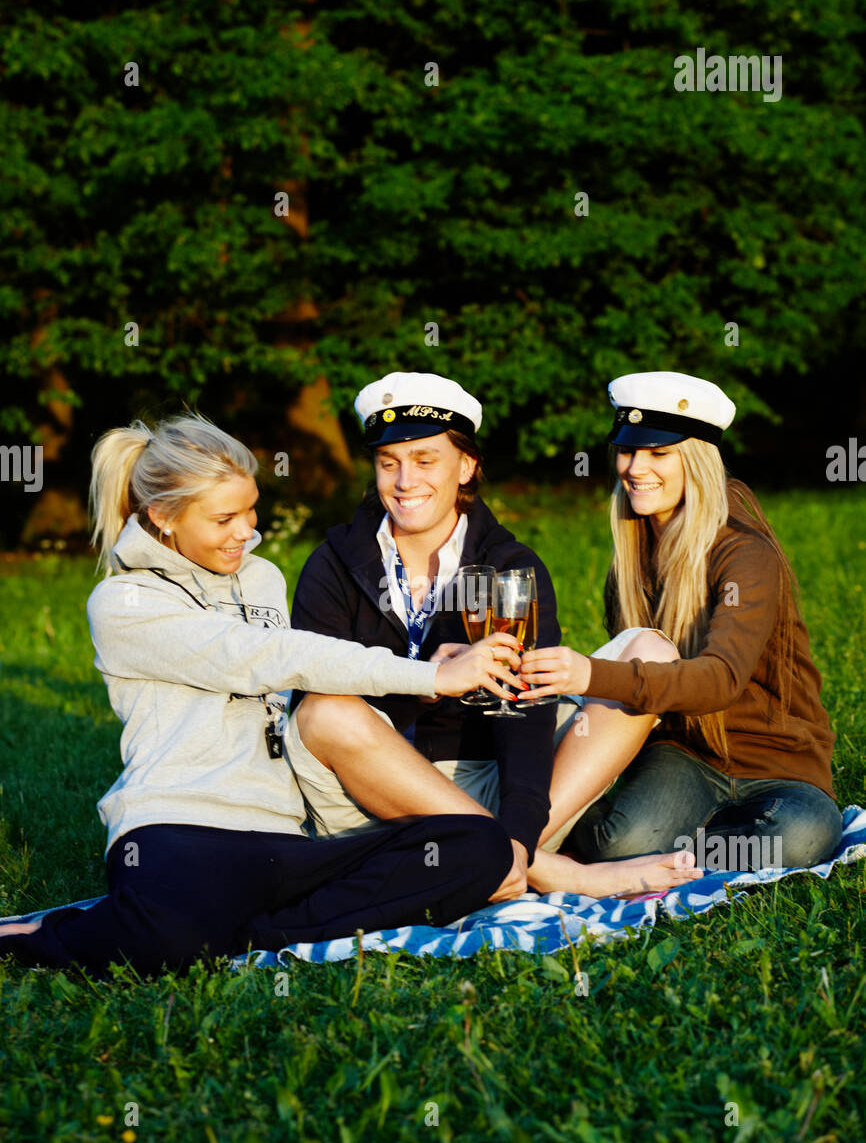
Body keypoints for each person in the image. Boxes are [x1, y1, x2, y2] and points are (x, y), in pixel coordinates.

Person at [0, 413, 530, 976]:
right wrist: (426, 676)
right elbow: (267, 657)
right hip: (178, 829)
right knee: (167, 941)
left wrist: (425, 670)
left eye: (250, 510)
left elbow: (312, 679)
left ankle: (248, 933)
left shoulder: (261, 579)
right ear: (163, 516)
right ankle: (52, 936)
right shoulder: (123, 603)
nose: (245, 531)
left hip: (283, 839)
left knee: (479, 846)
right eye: (224, 518)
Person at [286, 371, 695, 899]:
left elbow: (524, 711)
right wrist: (430, 680)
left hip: (491, 785)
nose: (405, 481)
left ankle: (505, 859)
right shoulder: (333, 563)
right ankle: (553, 872)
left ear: (467, 466)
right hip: (367, 791)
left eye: (425, 460)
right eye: (389, 463)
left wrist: (521, 831)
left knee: (651, 652)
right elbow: (313, 690)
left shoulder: (510, 568)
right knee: (325, 710)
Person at [520, 371, 842, 886]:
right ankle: (657, 847)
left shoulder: (745, 554)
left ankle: (681, 850)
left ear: (695, 460)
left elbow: (719, 680)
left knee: (799, 835)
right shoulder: (632, 555)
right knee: (615, 845)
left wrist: (588, 673)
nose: (634, 467)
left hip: (777, 762)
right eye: (626, 451)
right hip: (684, 755)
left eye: (658, 454)